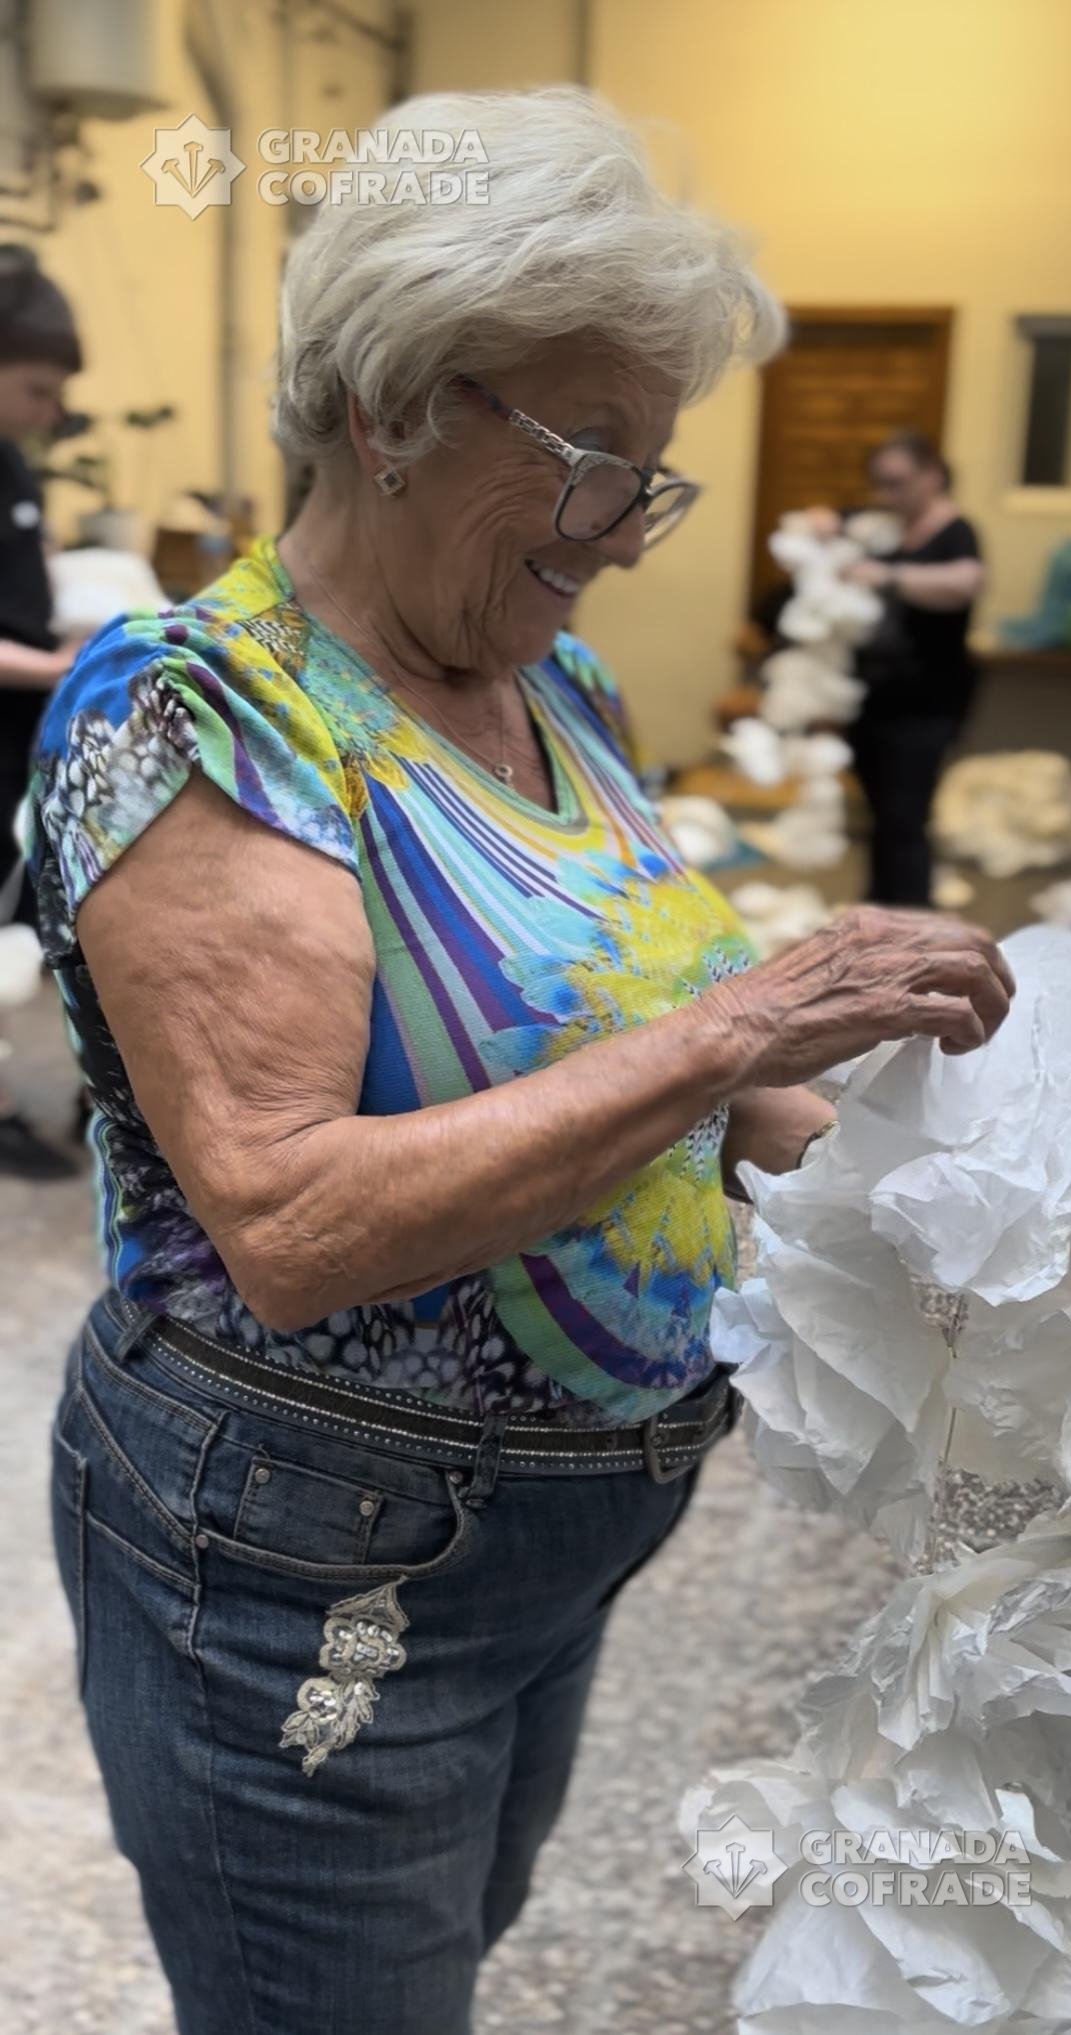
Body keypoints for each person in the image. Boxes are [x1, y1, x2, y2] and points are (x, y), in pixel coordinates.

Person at [28, 89, 1014, 2035]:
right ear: (397, 400)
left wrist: (976, 1232)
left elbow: (680, 1053)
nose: (625, 541)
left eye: (651, 481)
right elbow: (293, 1219)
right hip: (311, 1571)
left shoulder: (544, 674)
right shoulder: (194, 714)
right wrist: (750, 1014)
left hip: (544, 1549)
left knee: (419, 1973)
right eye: (600, 468)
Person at [0, 244, 84, 1177]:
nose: (50, 411)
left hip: (24, 728)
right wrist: (60, 663)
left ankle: (92, 1091)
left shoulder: (15, 468)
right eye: (34, 388)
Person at [844, 432, 985, 907]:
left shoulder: (954, 530)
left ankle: (909, 924)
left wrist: (890, 576)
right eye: (878, 484)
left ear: (933, 475)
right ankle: (881, 912)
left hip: (927, 699)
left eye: (897, 482)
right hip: (877, 697)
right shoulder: (887, 530)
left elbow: (965, 583)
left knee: (905, 816)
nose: (886, 494)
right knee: (883, 815)